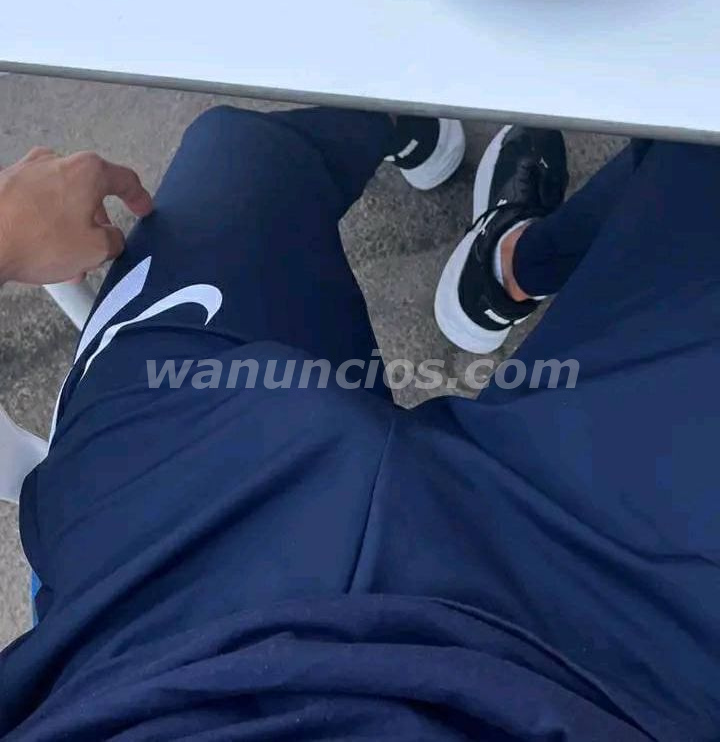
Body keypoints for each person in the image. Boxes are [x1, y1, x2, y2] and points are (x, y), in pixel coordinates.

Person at [0, 105, 716, 741]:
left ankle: (423, 137)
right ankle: (513, 262)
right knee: (701, 161)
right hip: (589, 652)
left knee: (245, 159)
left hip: (146, 619)